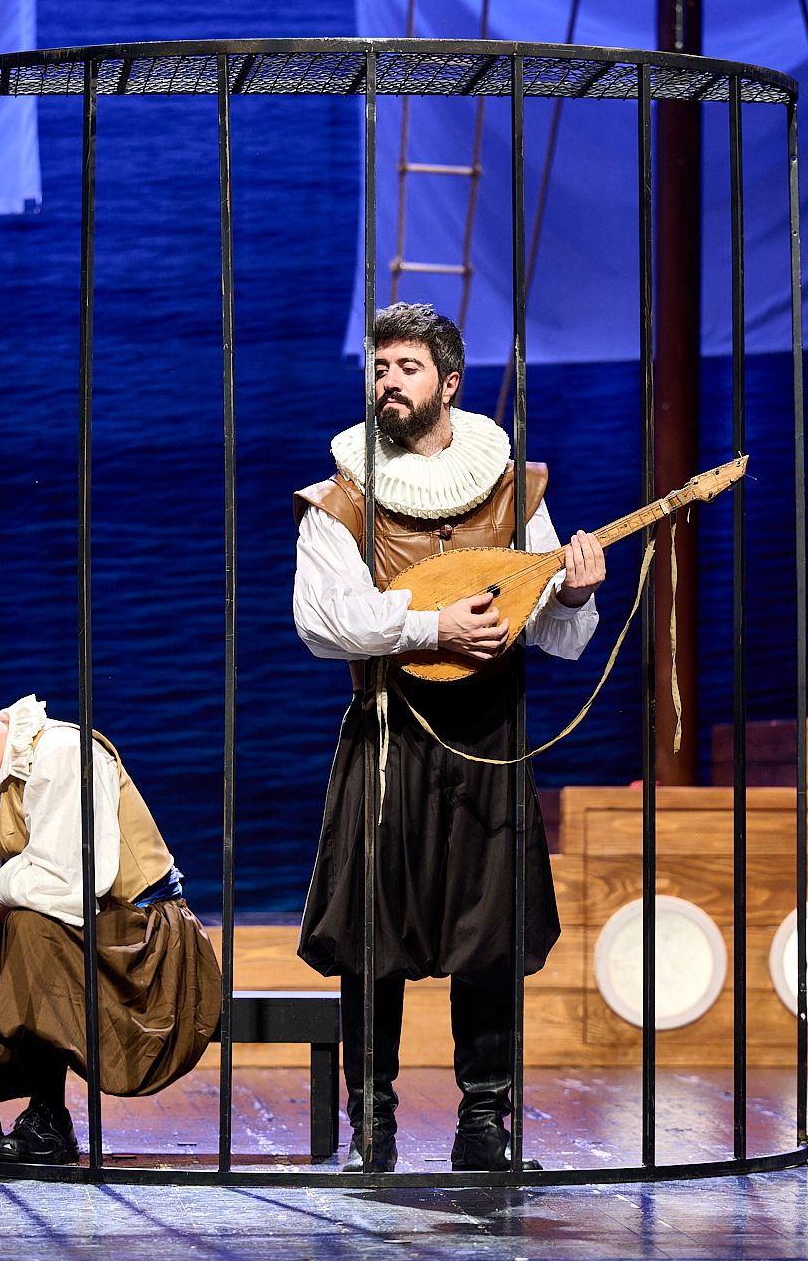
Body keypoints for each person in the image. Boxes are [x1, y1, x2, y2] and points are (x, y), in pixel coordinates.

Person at [291, 302, 605, 1173]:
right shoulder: (343, 498)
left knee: (491, 932)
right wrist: (432, 628)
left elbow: (552, 626)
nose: (388, 382)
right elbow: (323, 620)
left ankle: (484, 1126)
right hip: (390, 733)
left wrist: (576, 594)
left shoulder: (513, 491)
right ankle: (373, 1129)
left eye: (408, 368)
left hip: (491, 736)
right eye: (380, 368)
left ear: (450, 383)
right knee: (373, 931)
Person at [0, 664, 220, 1164]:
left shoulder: (62, 754)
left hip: (141, 945)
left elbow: (65, 887)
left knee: (31, 920)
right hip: (73, 940)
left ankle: (50, 1118)